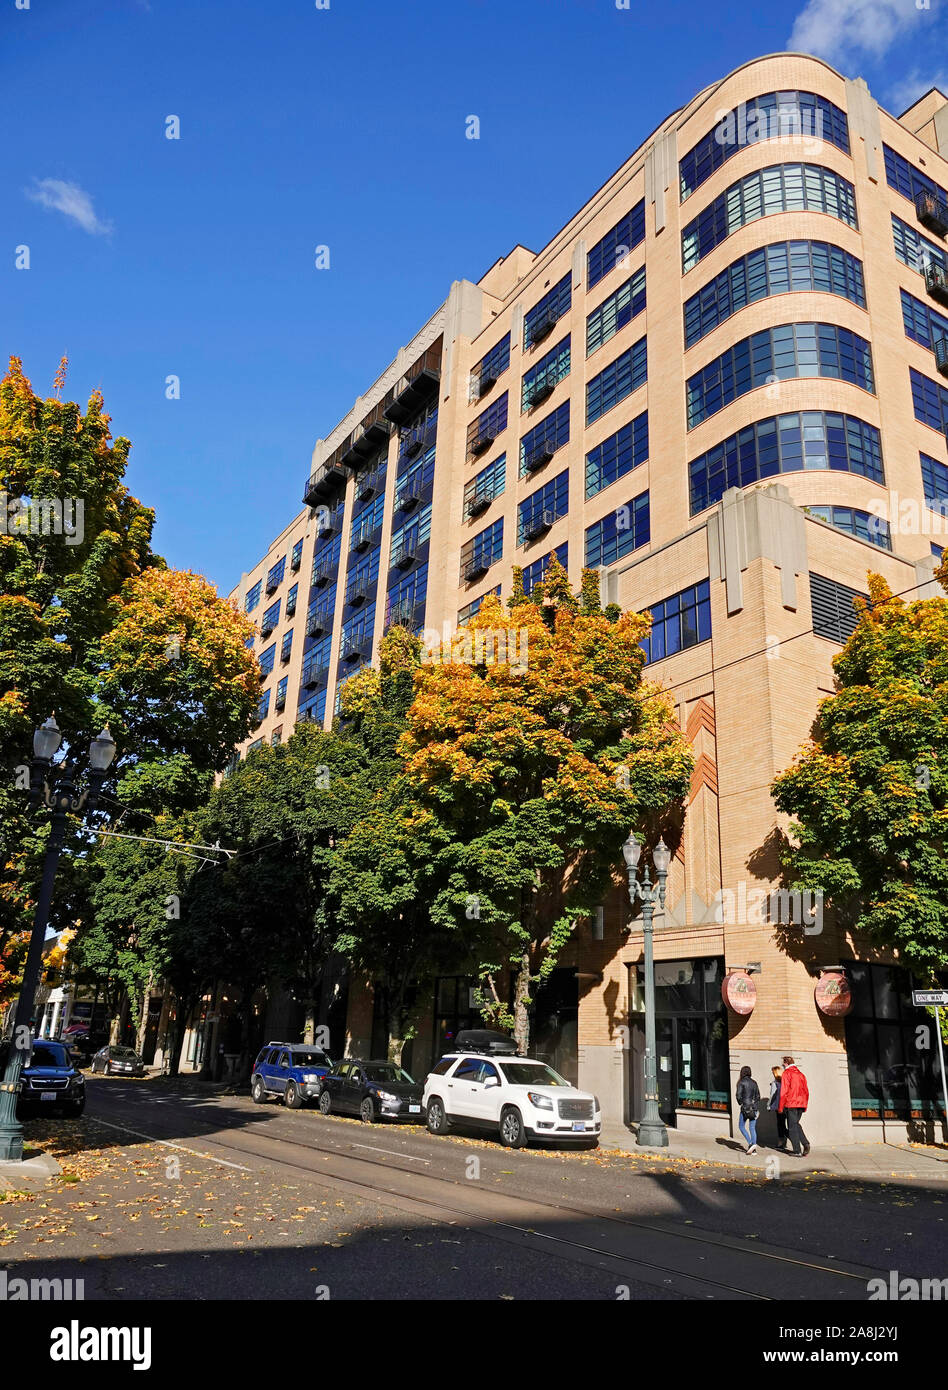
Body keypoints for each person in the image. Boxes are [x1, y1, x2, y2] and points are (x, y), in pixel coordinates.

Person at [777, 1054, 810, 1156]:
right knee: (795, 1124)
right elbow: (806, 1091)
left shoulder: (787, 1073)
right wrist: (805, 1105)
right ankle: (805, 1143)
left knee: (792, 1127)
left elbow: (784, 1092)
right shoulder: (801, 1074)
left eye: (783, 1064)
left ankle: (797, 1151)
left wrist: (780, 1107)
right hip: (800, 1103)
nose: (783, 1066)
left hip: (791, 1103)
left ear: (786, 1063)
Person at [735, 1065, 760, 1154]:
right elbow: (758, 1096)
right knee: (752, 1128)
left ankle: (750, 1144)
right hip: (754, 1108)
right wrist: (755, 1106)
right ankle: (754, 1150)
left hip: (745, 1108)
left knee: (741, 1126)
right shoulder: (754, 1082)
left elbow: (738, 1095)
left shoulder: (741, 1082)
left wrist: (741, 1103)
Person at [768, 1064, 788, 1151]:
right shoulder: (785, 1082)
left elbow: (772, 1095)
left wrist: (768, 1105)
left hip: (778, 1107)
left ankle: (781, 1144)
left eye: (773, 1073)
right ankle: (786, 1142)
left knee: (780, 1125)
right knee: (785, 1124)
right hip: (786, 1106)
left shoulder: (775, 1083)